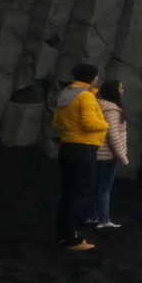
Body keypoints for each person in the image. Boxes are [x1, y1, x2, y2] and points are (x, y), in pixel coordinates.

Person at [52, 63, 109, 251]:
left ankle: (63, 235)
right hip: (84, 148)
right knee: (82, 194)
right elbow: (89, 123)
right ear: (91, 78)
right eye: (96, 77)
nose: (97, 80)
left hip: (67, 146)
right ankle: (75, 239)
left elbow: (56, 123)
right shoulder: (86, 96)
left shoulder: (66, 95)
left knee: (69, 193)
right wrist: (105, 124)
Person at [88, 80, 129, 229]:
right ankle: (104, 220)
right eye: (121, 88)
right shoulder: (112, 110)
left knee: (94, 186)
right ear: (114, 91)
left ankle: (92, 216)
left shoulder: (97, 104)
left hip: (95, 152)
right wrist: (122, 157)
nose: (123, 90)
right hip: (107, 157)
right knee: (103, 188)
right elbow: (113, 136)